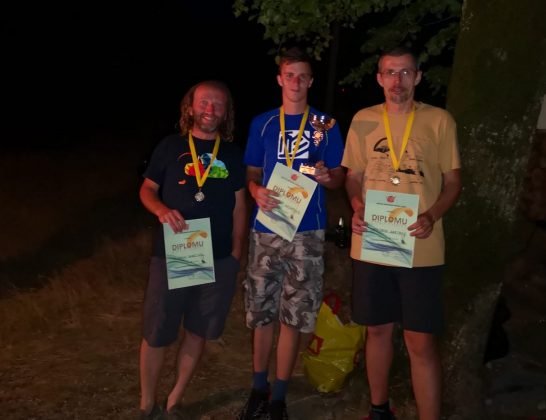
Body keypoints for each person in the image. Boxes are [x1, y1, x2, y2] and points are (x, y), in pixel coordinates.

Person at [341, 46, 462, 420]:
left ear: (418, 76)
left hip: (420, 247)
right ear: (379, 78)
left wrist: (432, 215)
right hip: (373, 243)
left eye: (406, 72)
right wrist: (357, 206)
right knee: (376, 332)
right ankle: (379, 410)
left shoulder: (439, 120)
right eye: (390, 73)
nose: (398, 80)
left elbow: (453, 182)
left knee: (420, 341)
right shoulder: (363, 120)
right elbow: (352, 176)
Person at [237, 46, 345, 420]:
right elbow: (252, 172)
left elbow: (338, 176)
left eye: (302, 76)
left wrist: (329, 177)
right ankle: (258, 389)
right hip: (267, 227)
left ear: (310, 81)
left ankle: (279, 396)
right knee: (262, 312)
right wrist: (255, 191)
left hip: (307, 232)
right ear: (279, 80)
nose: (296, 82)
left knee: (294, 316)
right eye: (289, 75)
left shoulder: (326, 126)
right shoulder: (263, 123)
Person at [138, 80, 247, 420]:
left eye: (218, 104)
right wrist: (161, 210)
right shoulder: (170, 146)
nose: (210, 109)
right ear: (190, 107)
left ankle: (174, 401)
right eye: (204, 102)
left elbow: (239, 206)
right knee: (157, 331)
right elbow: (147, 189)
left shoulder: (232, 154)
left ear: (226, 112)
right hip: (173, 254)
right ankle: (146, 404)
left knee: (198, 330)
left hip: (217, 257)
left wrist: (236, 253)